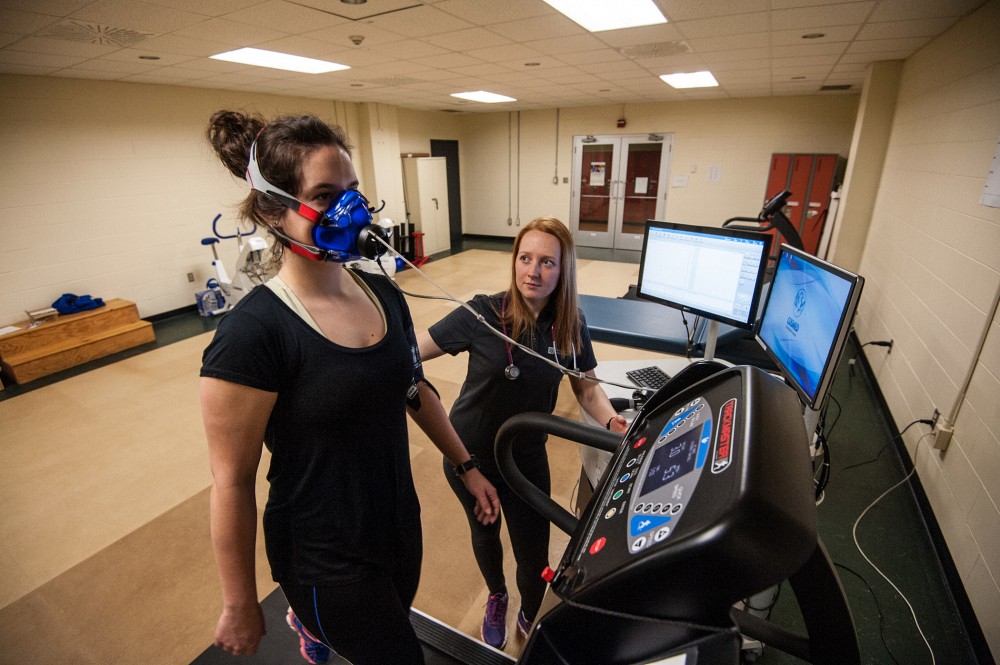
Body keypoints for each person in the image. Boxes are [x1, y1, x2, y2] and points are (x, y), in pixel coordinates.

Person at [200, 110, 499, 665]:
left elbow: (414, 388)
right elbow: (231, 481)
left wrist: (467, 465)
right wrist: (239, 602)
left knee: (393, 615)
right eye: (326, 193)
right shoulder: (252, 333)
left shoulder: (383, 293)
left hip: (396, 523)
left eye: (353, 190)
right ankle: (310, 619)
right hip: (322, 553)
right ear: (273, 209)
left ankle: (318, 629)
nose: (349, 209)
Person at [417, 216, 629, 649]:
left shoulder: (571, 323)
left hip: (526, 456)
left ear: (563, 269)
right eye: (525, 258)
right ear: (514, 262)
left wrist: (612, 421)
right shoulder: (483, 313)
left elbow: (587, 388)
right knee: (486, 532)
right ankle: (496, 595)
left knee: (534, 551)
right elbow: (409, 353)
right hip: (468, 454)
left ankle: (531, 608)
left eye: (547, 262)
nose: (533, 271)